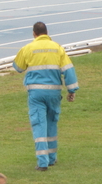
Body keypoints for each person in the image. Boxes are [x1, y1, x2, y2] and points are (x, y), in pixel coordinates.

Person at [12, 21, 79, 171]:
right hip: (54, 92)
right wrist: (72, 90)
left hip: (36, 93)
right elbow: (68, 70)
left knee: (39, 125)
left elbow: (18, 67)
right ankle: (52, 158)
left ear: (34, 34)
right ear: (47, 33)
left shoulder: (28, 48)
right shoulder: (57, 48)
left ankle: (42, 163)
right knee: (52, 124)